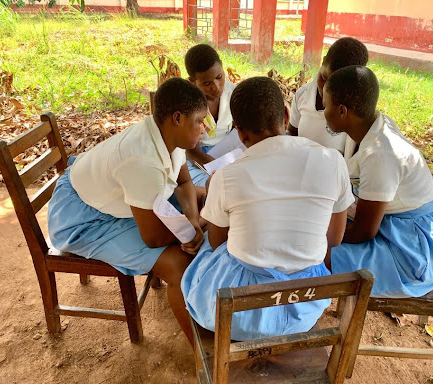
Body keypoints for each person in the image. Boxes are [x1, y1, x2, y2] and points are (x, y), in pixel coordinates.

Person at [181, 77, 354, 341]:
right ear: (286, 115)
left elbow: (218, 243)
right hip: (305, 303)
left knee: (204, 247)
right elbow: (334, 239)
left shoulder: (226, 177)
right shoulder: (334, 162)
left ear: (240, 133)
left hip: (242, 312)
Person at [47, 78, 208, 344]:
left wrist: (192, 220)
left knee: (204, 200)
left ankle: (199, 302)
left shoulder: (168, 136)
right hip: (84, 219)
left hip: (104, 196)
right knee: (178, 264)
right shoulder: (142, 160)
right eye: (199, 121)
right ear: (177, 118)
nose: (204, 128)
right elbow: (153, 239)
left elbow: (183, 181)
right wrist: (195, 229)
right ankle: (204, 353)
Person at [323, 65, 433, 298]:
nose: (323, 113)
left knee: (317, 254)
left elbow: (364, 232)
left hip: (412, 250)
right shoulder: (370, 126)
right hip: (393, 225)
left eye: (325, 106)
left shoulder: (380, 154)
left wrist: (321, 235)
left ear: (342, 111)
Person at [288, 37, 368, 156]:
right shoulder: (303, 94)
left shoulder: (355, 113)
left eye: (335, 87)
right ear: (323, 61)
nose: (325, 90)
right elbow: (292, 132)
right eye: (324, 78)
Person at [184, 43, 237, 187]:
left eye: (219, 77)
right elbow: (192, 153)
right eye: (207, 83)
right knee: (212, 186)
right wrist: (219, 169)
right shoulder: (188, 105)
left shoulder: (233, 93)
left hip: (228, 153)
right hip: (196, 160)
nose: (216, 86)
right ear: (193, 82)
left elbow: (238, 129)